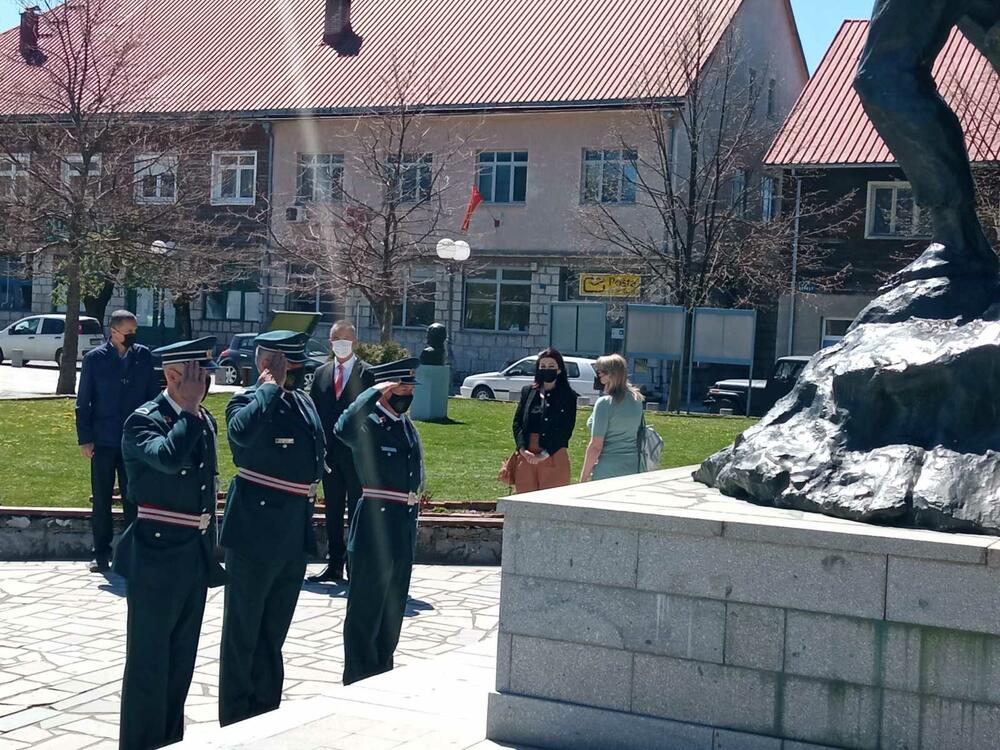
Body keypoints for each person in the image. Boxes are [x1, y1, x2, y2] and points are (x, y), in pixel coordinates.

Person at [114, 337, 226, 750]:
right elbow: (169, 458)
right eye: (197, 375)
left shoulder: (201, 419)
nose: (204, 384)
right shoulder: (143, 421)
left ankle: (168, 741)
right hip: (155, 556)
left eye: (206, 375)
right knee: (149, 666)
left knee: (180, 665)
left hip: (194, 554)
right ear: (173, 375)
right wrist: (191, 410)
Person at [218, 330, 325, 727]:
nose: (298, 372)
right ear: (269, 365)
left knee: (274, 631)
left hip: (293, 528)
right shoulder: (246, 401)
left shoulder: (302, 403)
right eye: (290, 365)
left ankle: (266, 711)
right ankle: (235, 716)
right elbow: (240, 436)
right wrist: (266, 390)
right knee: (243, 631)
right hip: (255, 528)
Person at [334, 357, 424, 685]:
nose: (408, 393)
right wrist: (369, 393)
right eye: (402, 386)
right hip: (374, 525)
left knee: (392, 610)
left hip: (402, 526)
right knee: (365, 612)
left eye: (411, 386)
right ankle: (358, 678)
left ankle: (382, 673)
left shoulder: (405, 425)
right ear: (385, 389)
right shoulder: (370, 424)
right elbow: (342, 428)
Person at [76, 309, 158, 573]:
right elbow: (83, 402)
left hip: (134, 440)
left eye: (135, 332)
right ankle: (100, 553)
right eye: (129, 332)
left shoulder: (143, 356)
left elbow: (153, 396)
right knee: (102, 499)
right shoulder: (95, 359)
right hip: (103, 439)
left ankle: (133, 552)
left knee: (133, 497)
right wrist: (85, 438)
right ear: (114, 332)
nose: (133, 336)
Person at [306, 321, 374, 583]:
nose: (340, 343)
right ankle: (334, 563)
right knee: (333, 511)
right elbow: (313, 412)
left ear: (355, 341)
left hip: (356, 457)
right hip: (330, 458)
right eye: (335, 339)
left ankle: (354, 565)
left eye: (345, 339)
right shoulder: (321, 373)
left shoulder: (367, 374)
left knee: (356, 511)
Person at [511, 347, 577, 493]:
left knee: (552, 501)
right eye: (543, 366)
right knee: (525, 499)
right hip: (527, 455)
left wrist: (544, 454)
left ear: (559, 369)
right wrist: (522, 449)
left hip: (554, 452)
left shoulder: (568, 396)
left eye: (551, 366)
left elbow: (566, 429)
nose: (546, 369)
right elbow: (518, 423)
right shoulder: (528, 392)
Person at [580, 354, 645, 482]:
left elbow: (596, 446)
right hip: (634, 467)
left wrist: (584, 476)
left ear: (613, 374)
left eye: (602, 371)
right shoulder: (637, 400)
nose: (598, 373)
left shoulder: (604, 403)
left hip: (607, 469)